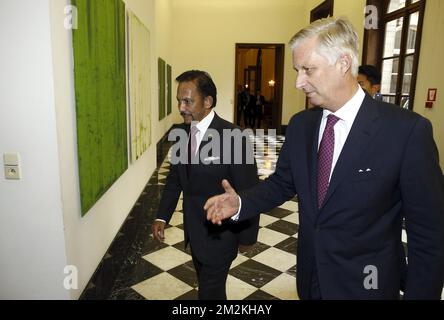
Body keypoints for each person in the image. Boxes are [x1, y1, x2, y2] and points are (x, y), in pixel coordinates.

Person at [204, 18, 444, 299]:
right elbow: (283, 183)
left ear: (343, 63)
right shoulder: (301, 125)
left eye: (308, 70)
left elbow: (429, 237)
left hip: (369, 285)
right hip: (311, 278)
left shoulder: (406, 132)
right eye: (297, 70)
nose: (298, 82)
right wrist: (241, 202)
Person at [152, 70, 260, 300]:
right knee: (211, 291)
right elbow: (175, 180)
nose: (181, 107)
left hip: (222, 236)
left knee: (209, 293)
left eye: (188, 101)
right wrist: (162, 216)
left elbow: (249, 190)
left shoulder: (235, 137)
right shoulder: (182, 133)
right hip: (194, 233)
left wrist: (247, 238)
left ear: (208, 101)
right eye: (179, 101)